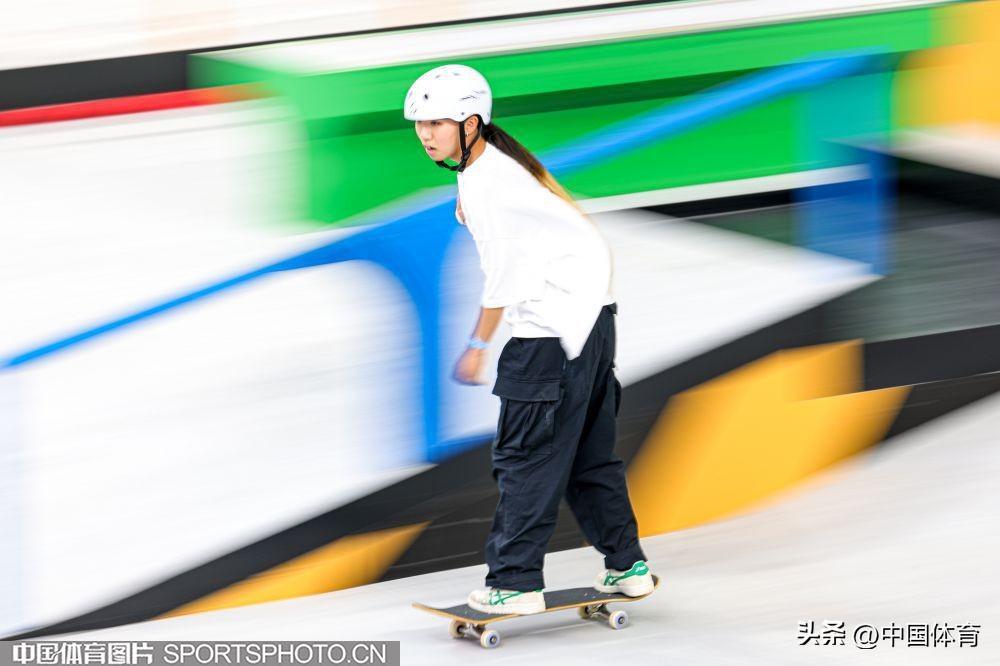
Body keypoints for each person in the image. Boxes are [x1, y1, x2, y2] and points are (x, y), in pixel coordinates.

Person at [403, 64, 654, 615]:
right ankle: (627, 566)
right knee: (588, 460)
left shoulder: (487, 181)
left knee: (525, 460)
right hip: (593, 324)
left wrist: (477, 347)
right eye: (420, 124)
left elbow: (504, 282)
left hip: (548, 339)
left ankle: (515, 583)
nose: (425, 134)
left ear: (470, 123)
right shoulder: (500, 164)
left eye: (437, 123)